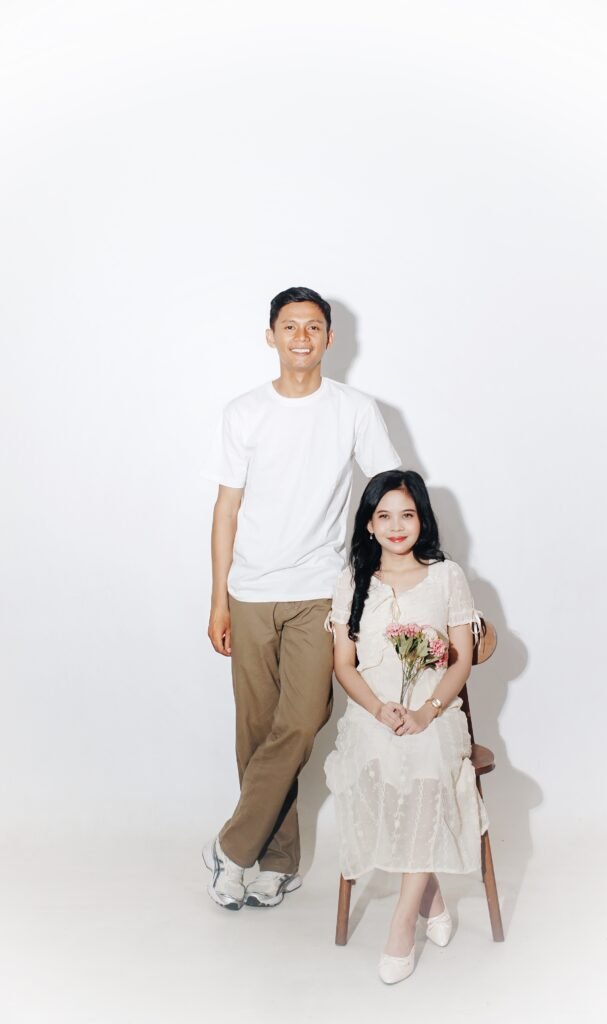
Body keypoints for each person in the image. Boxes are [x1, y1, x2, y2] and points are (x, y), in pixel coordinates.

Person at [202, 286, 400, 911]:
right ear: (271, 336)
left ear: (329, 339)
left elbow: (390, 488)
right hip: (250, 592)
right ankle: (275, 861)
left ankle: (231, 847)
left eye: (313, 326)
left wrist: (397, 567)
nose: (302, 337)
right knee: (256, 730)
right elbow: (226, 510)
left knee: (303, 718)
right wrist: (218, 599)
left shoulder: (354, 410)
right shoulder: (243, 412)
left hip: (320, 591)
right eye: (290, 326)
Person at [324, 469, 488, 984]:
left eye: (407, 515)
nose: (397, 527)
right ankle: (430, 895)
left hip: (433, 709)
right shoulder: (353, 581)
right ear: (369, 525)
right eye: (385, 516)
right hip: (373, 709)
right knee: (376, 761)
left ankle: (401, 922)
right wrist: (379, 709)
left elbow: (461, 660)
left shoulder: (447, 576)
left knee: (425, 761)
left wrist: (426, 711)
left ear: (423, 520)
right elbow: (344, 665)